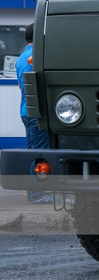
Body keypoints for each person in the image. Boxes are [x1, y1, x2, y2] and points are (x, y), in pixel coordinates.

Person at [16, 23, 50, 204]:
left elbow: (21, 86)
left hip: (25, 111)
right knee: (40, 153)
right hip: (36, 112)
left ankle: (30, 190)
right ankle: (37, 194)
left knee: (31, 152)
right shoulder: (37, 57)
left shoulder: (21, 58)